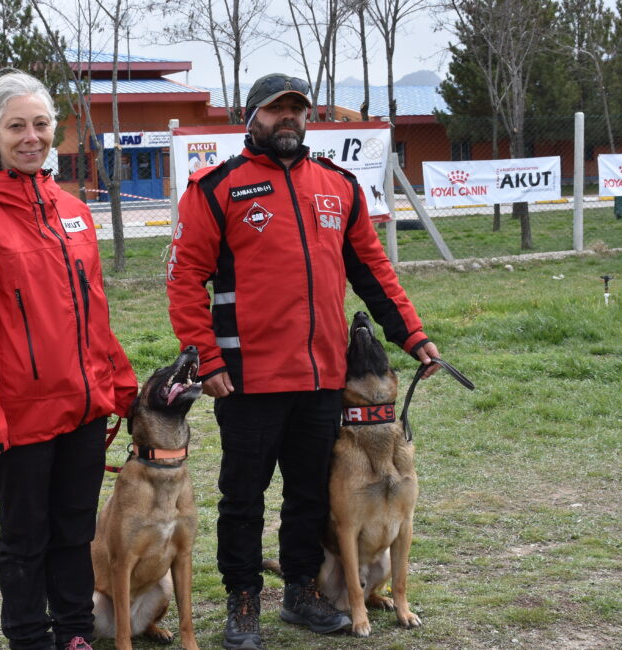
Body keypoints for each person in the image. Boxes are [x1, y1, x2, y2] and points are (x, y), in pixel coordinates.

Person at [166, 72, 441, 650]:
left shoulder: (337, 186)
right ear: (251, 118)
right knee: (243, 495)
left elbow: (373, 271)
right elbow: (186, 279)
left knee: (311, 492)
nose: (287, 118)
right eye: (275, 110)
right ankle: (243, 600)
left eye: (296, 109)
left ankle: (300, 591)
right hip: (244, 378)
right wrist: (206, 359)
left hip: (323, 375)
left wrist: (412, 337)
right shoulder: (216, 187)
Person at [0, 71, 138, 650]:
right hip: (16, 416)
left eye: (41, 124)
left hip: (82, 409)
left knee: (74, 530)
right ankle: (29, 637)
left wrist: (122, 387)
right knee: (26, 535)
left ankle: (74, 634)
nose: (31, 137)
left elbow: (94, 315)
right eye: (16, 126)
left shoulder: (73, 211)